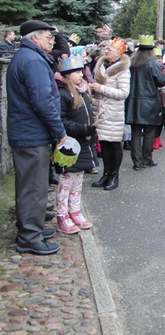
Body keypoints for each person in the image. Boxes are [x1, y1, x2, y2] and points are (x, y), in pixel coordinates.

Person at [7, 20, 68, 255]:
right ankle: (29, 237)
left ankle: (31, 228)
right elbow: (43, 102)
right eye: (48, 37)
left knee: (32, 186)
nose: (51, 41)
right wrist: (59, 132)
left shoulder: (28, 57)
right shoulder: (32, 60)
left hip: (29, 132)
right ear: (35, 38)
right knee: (34, 188)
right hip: (32, 135)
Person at [55, 55, 98, 234]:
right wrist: (84, 129)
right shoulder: (62, 93)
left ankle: (75, 211)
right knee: (66, 182)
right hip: (70, 145)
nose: (81, 75)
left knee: (78, 181)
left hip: (84, 143)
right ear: (67, 74)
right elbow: (61, 121)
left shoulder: (82, 91)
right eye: (76, 72)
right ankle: (62, 214)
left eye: (81, 71)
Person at [90, 37, 131, 190]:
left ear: (118, 53)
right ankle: (106, 174)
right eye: (106, 49)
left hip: (113, 111)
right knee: (104, 143)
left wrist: (101, 89)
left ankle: (114, 175)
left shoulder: (122, 70)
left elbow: (123, 93)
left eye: (110, 50)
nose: (106, 51)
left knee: (114, 144)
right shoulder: (101, 65)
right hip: (100, 109)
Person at [125, 36, 165, 170]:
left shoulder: (131, 62)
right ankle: (147, 159)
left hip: (133, 101)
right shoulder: (153, 63)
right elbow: (161, 81)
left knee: (136, 133)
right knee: (149, 132)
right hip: (150, 101)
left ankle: (137, 162)